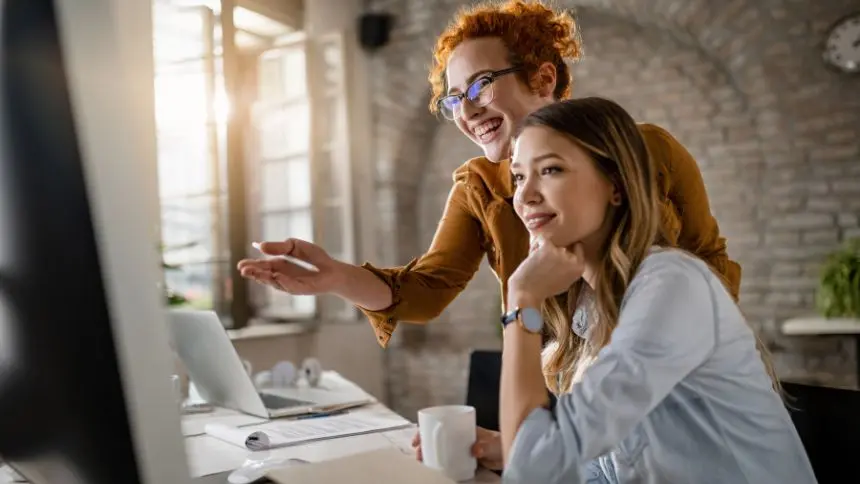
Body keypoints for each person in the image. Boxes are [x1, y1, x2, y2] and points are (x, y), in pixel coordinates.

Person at [237, 0, 740, 470]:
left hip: (674, 394)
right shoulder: (478, 186)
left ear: (544, 78)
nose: (466, 110)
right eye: (454, 98)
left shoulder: (644, 156)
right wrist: (333, 278)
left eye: (479, 86)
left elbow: (708, 265)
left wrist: (683, 352)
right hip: (574, 402)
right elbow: (425, 289)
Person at [496, 97, 814, 483]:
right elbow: (601, 467)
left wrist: (522, 299)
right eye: (518, 177)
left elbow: (531, 469)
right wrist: (514, 449)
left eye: (550, 169)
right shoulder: (590, 309)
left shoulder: (672, 285)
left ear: (616, 185)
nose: (525, 196)